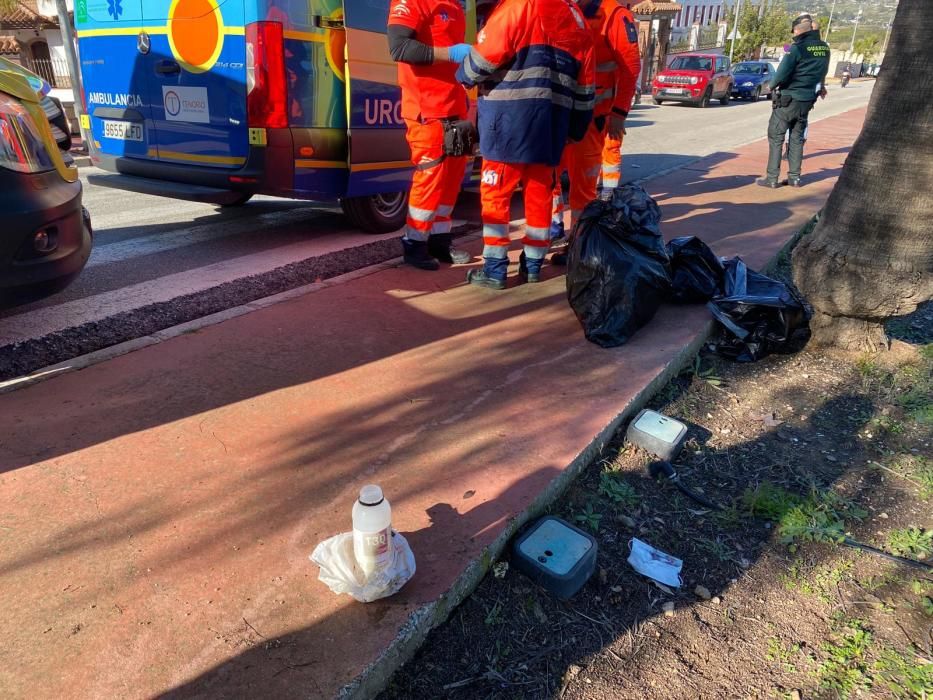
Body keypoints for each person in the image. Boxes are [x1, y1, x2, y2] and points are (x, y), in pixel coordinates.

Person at [456, 0, 595, 289]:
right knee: (540, 197)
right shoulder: (578, 20)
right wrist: (575, 129)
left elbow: (483, 59)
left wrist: (463, 74)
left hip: (508, 125)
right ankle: (532, 266)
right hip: (550, 129)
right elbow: (585, 87)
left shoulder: (518, 6)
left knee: (496, 195)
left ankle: (494, 269)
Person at [549, 0, 641, 263]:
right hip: (560, 112)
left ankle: (579, 245)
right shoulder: (563, 9)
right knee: (549, 174)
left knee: (582, 187)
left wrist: (619, 112)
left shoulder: (614, 16)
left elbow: (631, 67)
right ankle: (553, 229)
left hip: (591, 116)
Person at [388, 0, 474, 270]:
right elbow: (400, 47)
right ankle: (414, 245)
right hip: (427, 110)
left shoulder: (454, 6)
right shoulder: (412, 2)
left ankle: (440, 241)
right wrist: (450, 53)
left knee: (450, 182)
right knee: (430, 180)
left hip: (454, 107)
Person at [758, 13, 829, 189]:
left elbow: (782, 72)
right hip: (807, 100)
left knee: (776, 136)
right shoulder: (825, 48)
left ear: (798, 30)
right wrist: (821, 86)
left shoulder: (796, 48)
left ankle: (772, 178)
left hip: (789, 98)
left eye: (794, 31)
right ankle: (795, 178)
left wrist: (771, 85)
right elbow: (823, 71)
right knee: (797, 138)